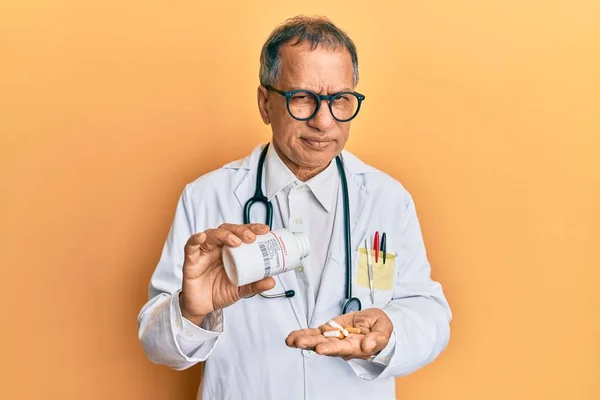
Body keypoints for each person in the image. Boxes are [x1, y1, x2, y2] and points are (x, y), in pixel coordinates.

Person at [137, 15, 452, 400]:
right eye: (303, 98)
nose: (324, 121)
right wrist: (190, 310)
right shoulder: (207, 196)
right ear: (265, 103)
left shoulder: (387, 198)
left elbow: (429, 313)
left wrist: (390, 329)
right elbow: (159, 347)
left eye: (340, 100)